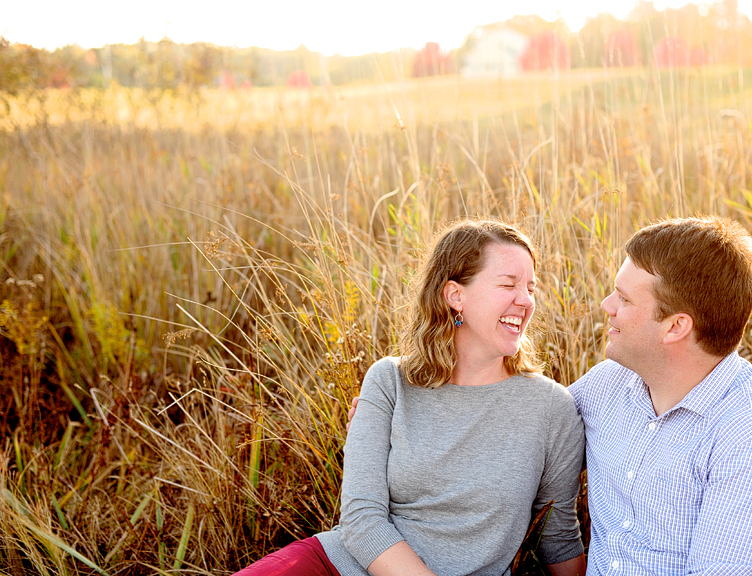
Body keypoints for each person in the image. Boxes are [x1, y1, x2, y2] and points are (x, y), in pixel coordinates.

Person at [234, 219, 587, 576]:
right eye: (508, 285)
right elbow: (361, 518)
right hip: (335, 565)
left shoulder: (550, 408)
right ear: (455, 296)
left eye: (531, 287)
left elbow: (557, 537)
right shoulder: (389, 381)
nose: (525, 301)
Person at [568, 216, 752, 575]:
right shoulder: (608, 384)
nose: (608, 305)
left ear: (676, 327)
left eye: (624, 298)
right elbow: (533, 433)